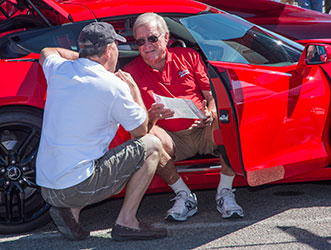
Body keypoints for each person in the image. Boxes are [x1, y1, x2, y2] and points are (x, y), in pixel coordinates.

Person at [36, 21, 167, 241]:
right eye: (116, 45)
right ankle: (127, 222)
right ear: (108, 50)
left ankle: (70, 212)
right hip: (74, 188)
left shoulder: (59, 69)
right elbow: (141, 131)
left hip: (47, 188)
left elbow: (46, 52)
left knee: (85, 156)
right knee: (152, 146)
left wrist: (84, 59)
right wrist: (134, 90)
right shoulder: (113, 86)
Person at [123, 13, 244, 221]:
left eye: (152, 38)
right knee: (148, 138)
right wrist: (150, 116)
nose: (146, 45)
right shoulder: (129, 72)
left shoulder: (189, 57)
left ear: (166, 37)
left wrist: (211, 112)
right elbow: (134, 122)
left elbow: (212, 98)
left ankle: (225, 191)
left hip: (202, 128)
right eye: (140, 41)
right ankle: (184, 195)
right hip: (171, 139)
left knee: (226, 117)